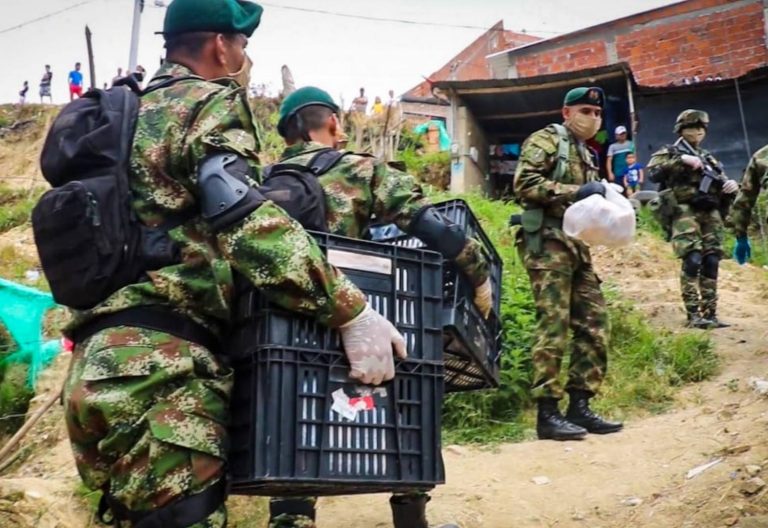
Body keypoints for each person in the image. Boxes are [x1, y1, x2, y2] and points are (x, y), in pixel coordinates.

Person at [61, 2, 405, 527]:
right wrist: (350, 310)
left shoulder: (120, 115)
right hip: (163, 374)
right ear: (221, 45)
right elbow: (243, 218)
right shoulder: (207, 101)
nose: (244, 57)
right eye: (242, 45)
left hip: (98, 365)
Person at [260, 86, 494, 528]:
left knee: (292, 413)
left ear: (288, 135)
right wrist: (478, 275)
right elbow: (434, 228)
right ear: (332, 123)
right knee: (408, 384)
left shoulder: (258, 185)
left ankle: (291, 520)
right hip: (362, 318)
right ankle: (411, 520)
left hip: (286, 326)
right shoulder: (358, 169)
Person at [512, 86, 623, 441]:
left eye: (597, 112)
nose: (592, 118)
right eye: (585, 110)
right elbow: (525, 184)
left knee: (595, 322)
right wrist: (574, 192)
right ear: (566, 112)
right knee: (554, 325)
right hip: (546, 242)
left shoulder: (585, 153)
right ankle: (547, 413)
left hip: (576, 246)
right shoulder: (546, 141)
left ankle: (580, 406)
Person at [647, 110, 739, 328]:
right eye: (692, 127)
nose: (697, 131)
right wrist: (681, 161)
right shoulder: (669, 152)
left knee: (712, 260)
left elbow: (721, 180)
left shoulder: (709, 158)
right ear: (681, 130)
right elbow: (652, 174)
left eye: (701, 128)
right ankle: (693, 314)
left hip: (710, 211)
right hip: (684, 210)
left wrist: (732, 186)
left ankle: (711, 313)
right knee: (693, 258)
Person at [729, 144, 768, 265]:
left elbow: (744, 199)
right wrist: (741, 237)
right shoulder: (761, 157)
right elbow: (744, 199)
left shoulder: (762, 156)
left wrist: (741, 236)